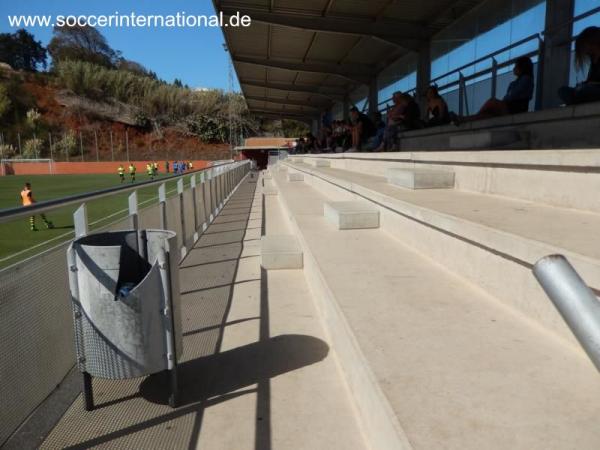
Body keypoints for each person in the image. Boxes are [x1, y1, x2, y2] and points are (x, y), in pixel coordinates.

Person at [451, 56, 534, 124]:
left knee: (492, 102)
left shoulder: (526, 79)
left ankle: (464, 119)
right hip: (511, 108)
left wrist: (503, 101)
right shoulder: (518, 81)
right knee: (487, 115)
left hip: (515, 110)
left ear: (522, 67)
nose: (514, 69)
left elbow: (512, 95)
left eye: (516, 66)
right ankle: (464, 120)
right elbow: (510, 95)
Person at [559, 26, 600, 105]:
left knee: (586, 90)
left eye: (584, 46)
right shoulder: (593, 60)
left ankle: (576, 99)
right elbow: (591, 80)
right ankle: (578, 98)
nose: (584, 50)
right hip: (591, 90)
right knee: (562, 90)